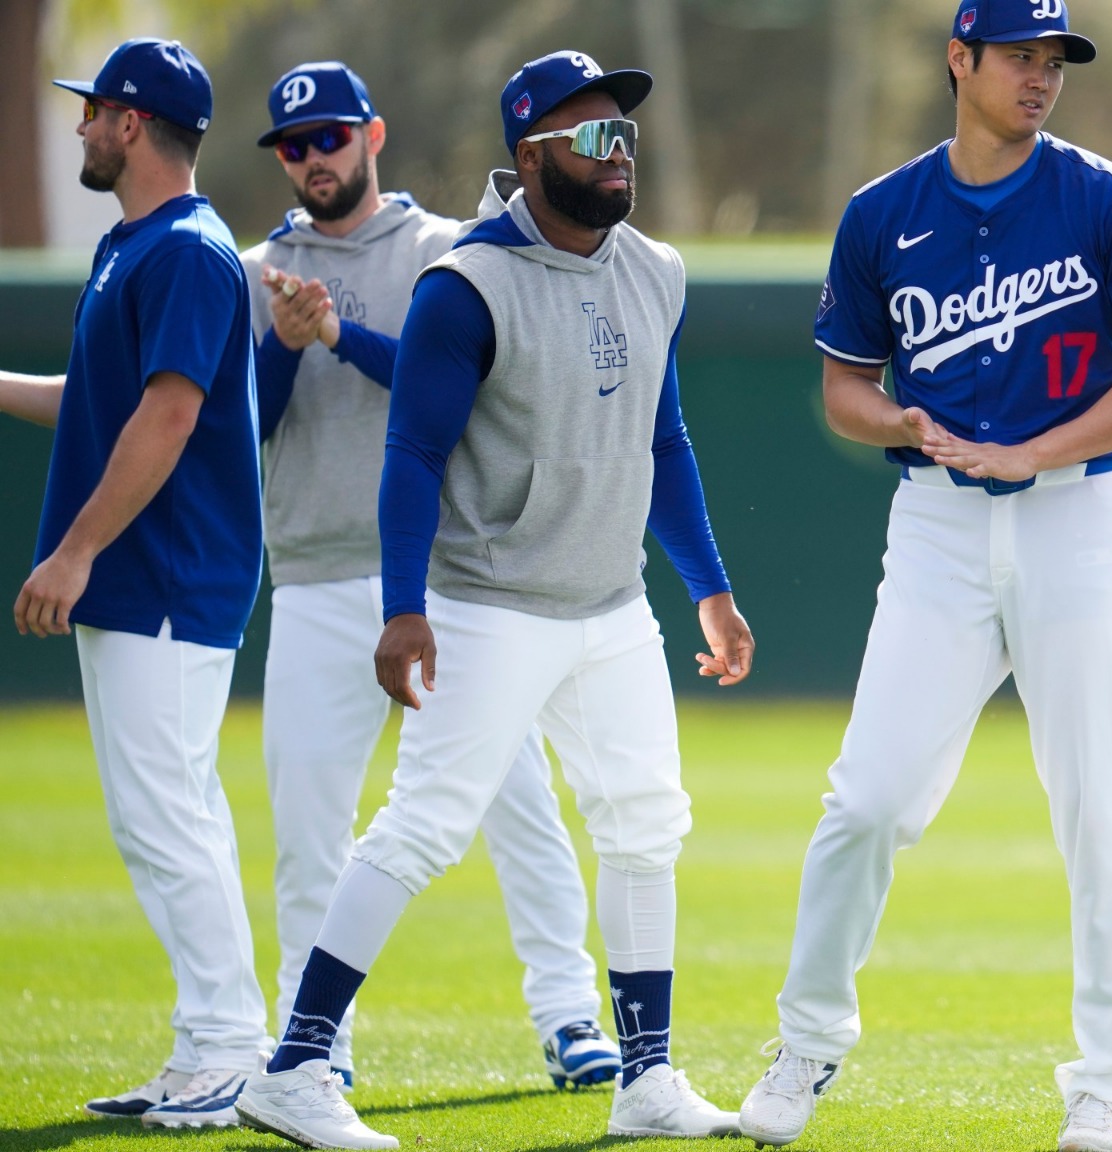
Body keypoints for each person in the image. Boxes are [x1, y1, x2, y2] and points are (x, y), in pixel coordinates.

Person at [234, 50, 754, 1149]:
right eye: (593, 136)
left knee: (645, 825)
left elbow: (664, 437)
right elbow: (414, 453)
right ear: (530, 156)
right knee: (420, 828)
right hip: (492, 603)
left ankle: (647, 1079)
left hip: (611, 606)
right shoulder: (464, 284)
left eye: (626, 133)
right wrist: (405, 608)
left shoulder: (653, 266)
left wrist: (708, 586)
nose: (620, 155)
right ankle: (294, 1068)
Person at [735, 3, 1112, 1149]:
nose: (1040, 78)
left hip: (1077, 518)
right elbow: (842, 385)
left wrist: (1034, 451)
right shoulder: (883, 214)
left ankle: (1105, 1084)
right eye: (1018, 58)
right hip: (937, 527)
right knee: (868, 800)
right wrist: (893, 414)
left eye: (1054, 62)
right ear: (960, 61)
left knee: (1102, 811)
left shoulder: (1106, 198)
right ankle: (803, 1048)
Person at [239, 59, 619, 1094]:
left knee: (518, 805)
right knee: (311, 821)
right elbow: (245, 430)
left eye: (328, 136)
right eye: (292, 145)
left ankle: (570, 1018)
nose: (312, 157)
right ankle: (316, 1052)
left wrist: (336, 334)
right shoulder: (256, 265)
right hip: (319, 571)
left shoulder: (449, 249)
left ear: (373, 133)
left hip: (451, 575)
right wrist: (281, 348)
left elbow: (449, 392)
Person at [0, 38, 267, 1129]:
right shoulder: (136, 245)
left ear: (133, 121)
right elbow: (104, 401)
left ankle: (228, 1051)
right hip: (143, 578)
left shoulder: (190, 251)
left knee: (168, 818)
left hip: (168, 573)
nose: (79, 126)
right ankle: (206, 1043)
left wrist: (76, 550)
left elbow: (168, 418)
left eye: (93, 110)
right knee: (161, 817)